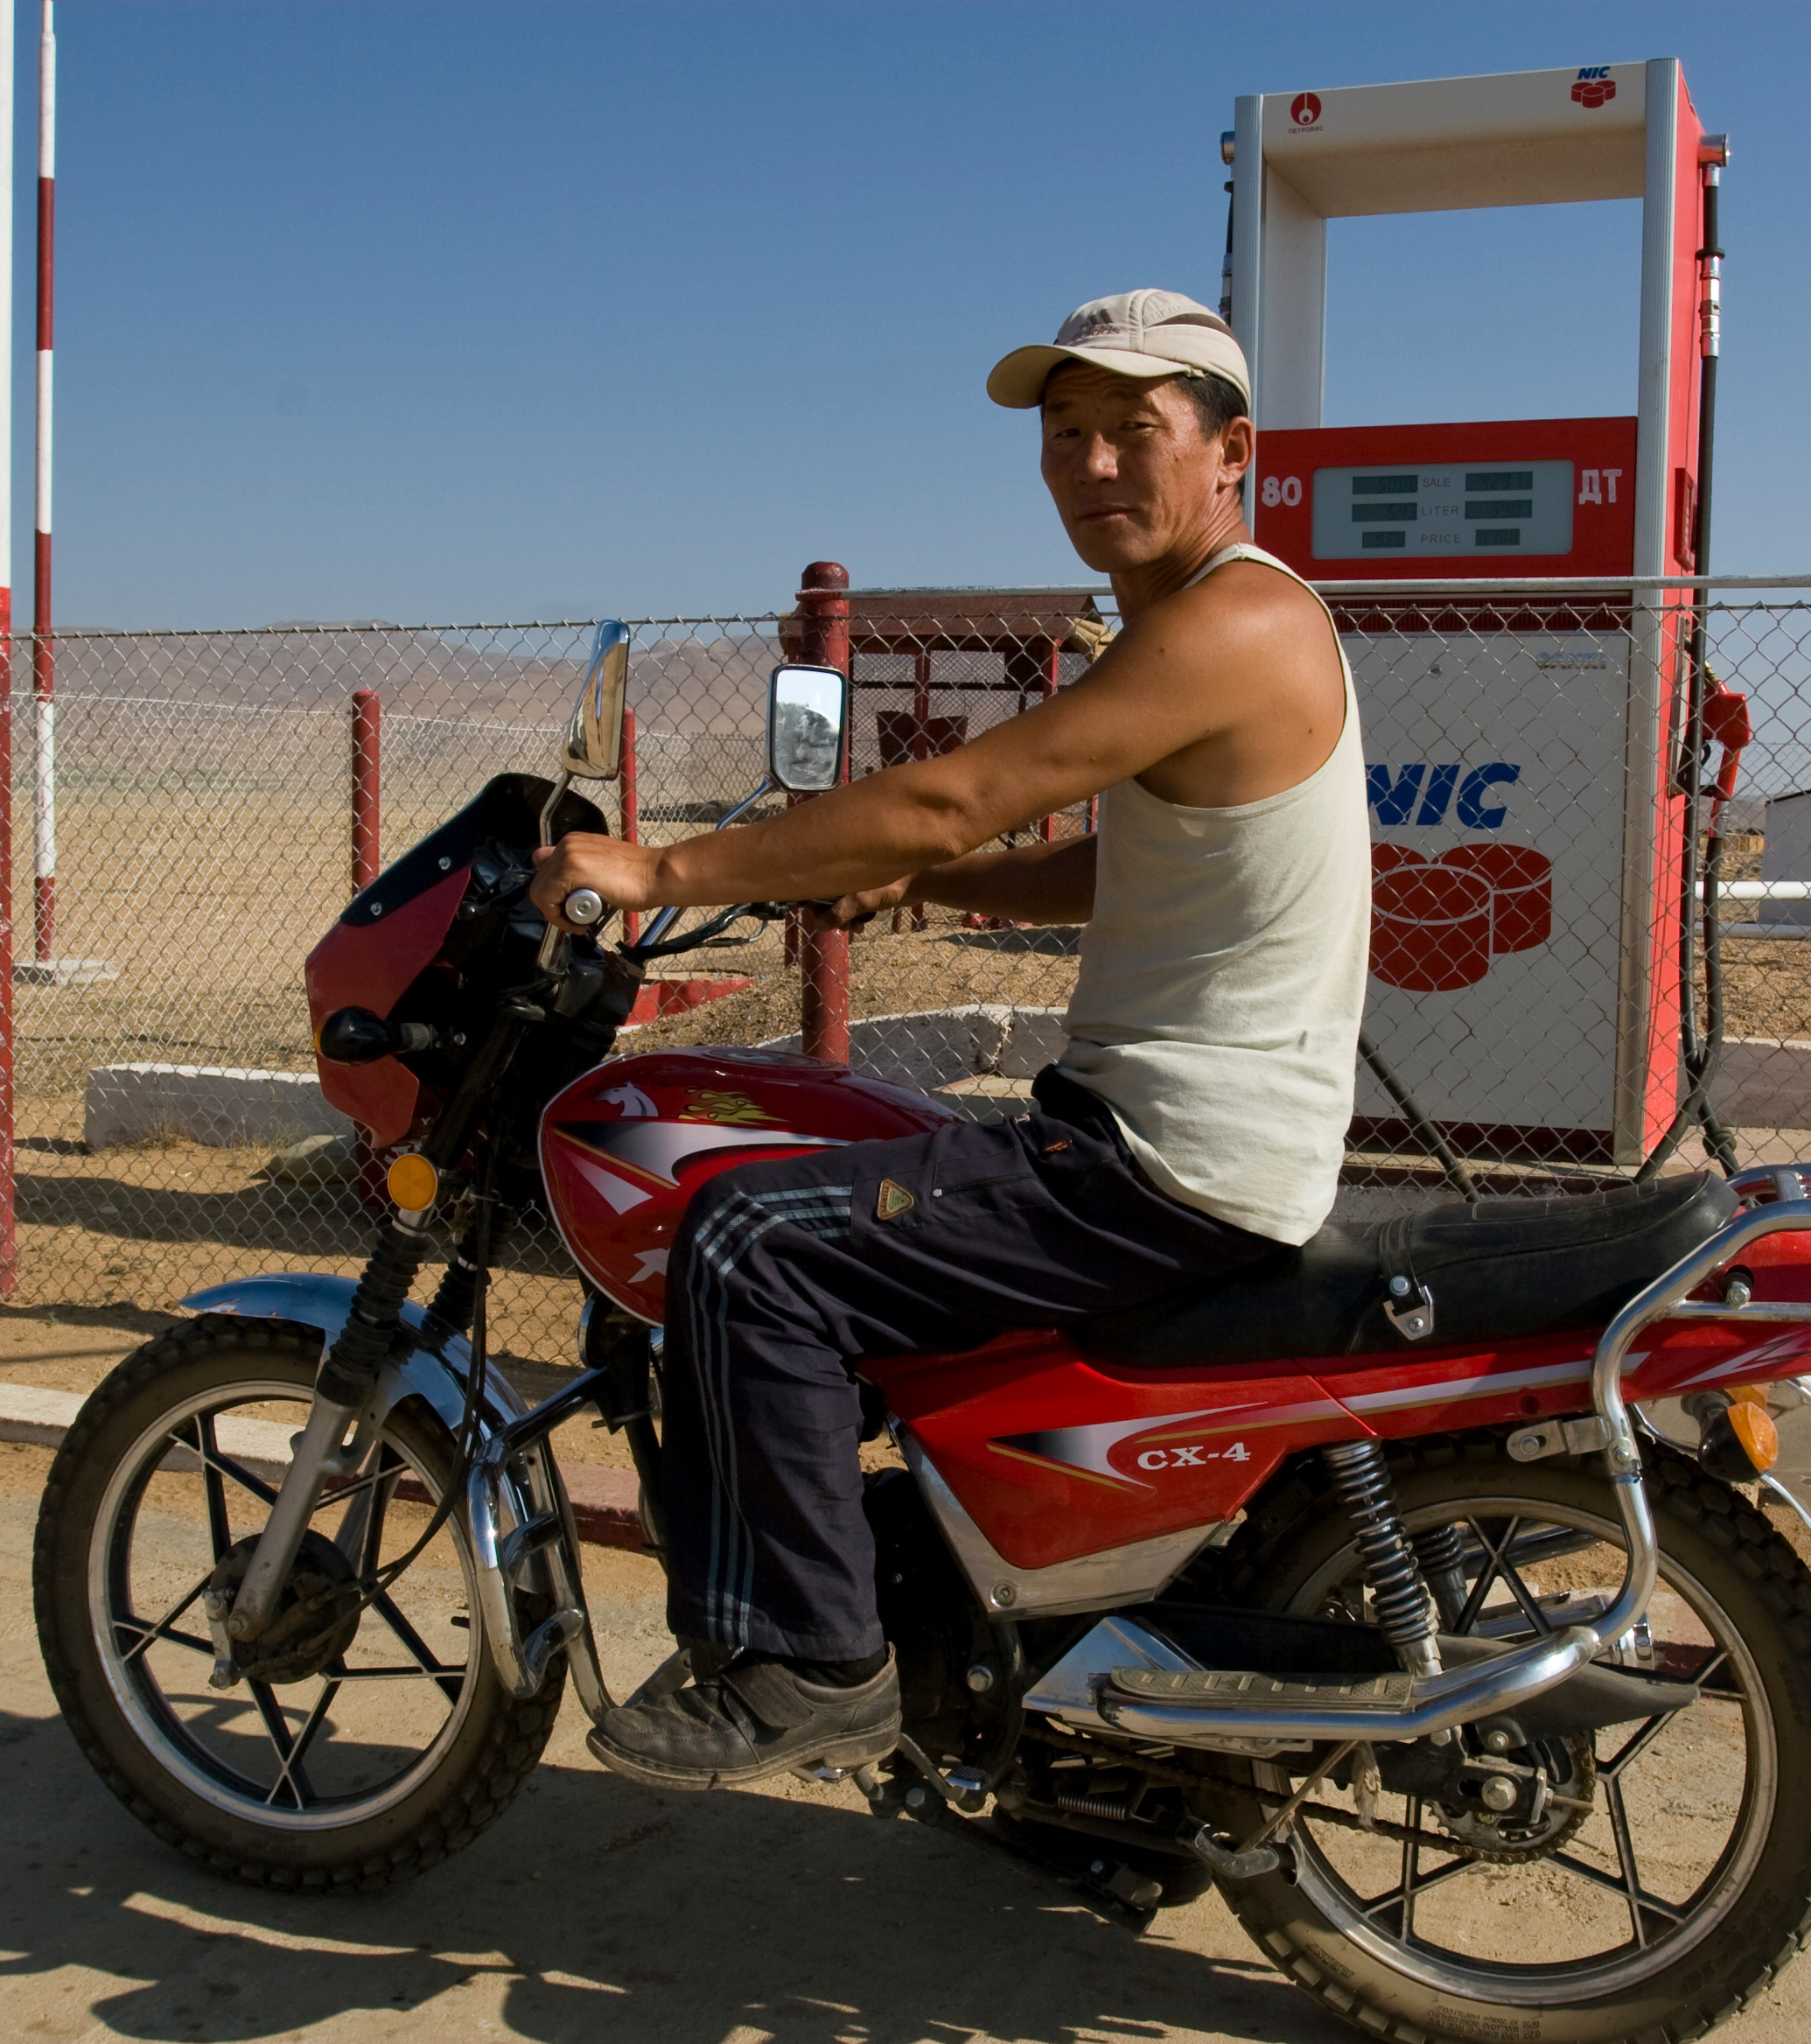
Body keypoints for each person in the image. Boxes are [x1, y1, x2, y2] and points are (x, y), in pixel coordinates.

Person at [528, 289, 1369, 1788]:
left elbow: (950, 788)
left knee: (746, 1241)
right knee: (825, 1195)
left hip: (1162, 1160)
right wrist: (941, 886)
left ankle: (814, 1663)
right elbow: (1135, 859)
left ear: (1231, 449)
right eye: (1065, 438)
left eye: (1133, 432)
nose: (1092, 467)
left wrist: (659, 872)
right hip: (1171, 1137)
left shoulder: (1233, 619)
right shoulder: (1211, 619)